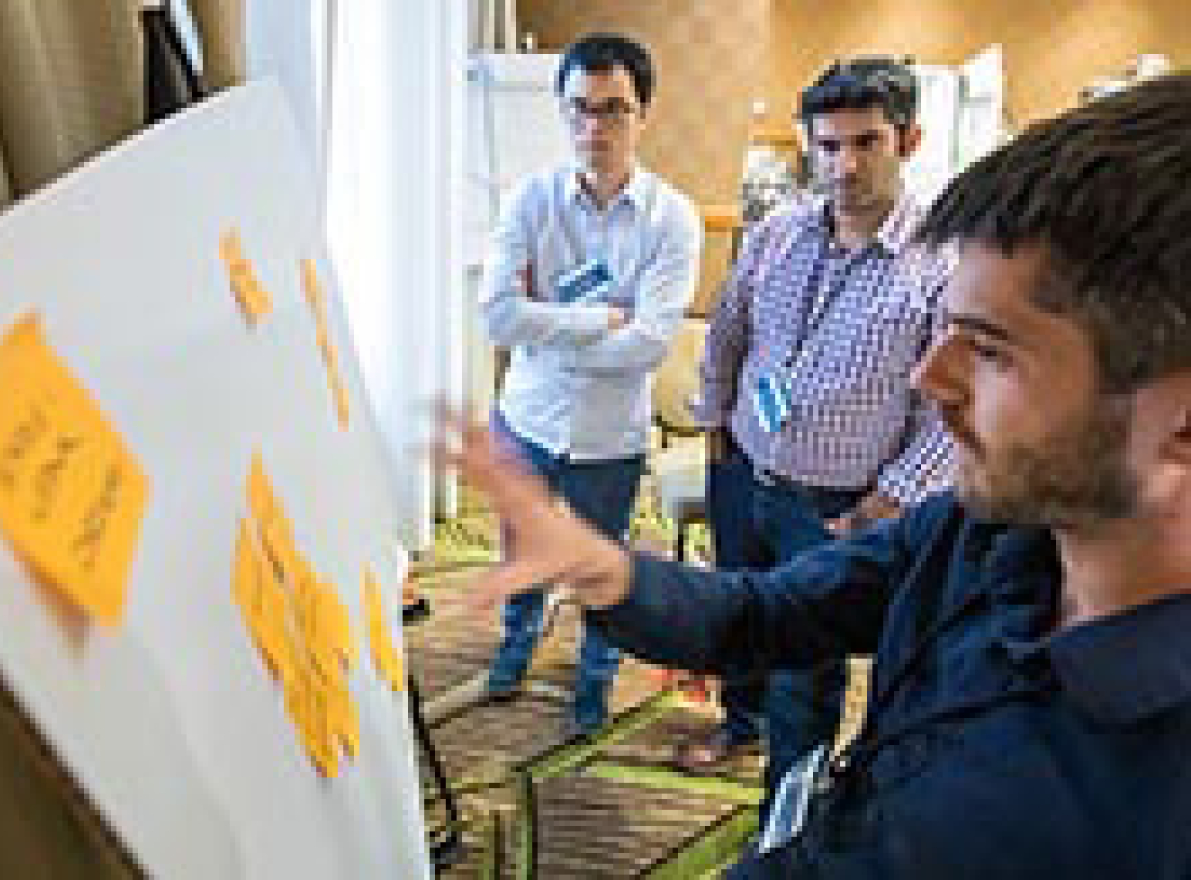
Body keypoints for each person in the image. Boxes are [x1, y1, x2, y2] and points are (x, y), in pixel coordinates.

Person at [443, 71, 1191, 878]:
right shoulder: (981, 534)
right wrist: (605, 569)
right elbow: (765, 614)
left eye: (992, 350)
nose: (929, 378)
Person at [680, 59, 954, 795]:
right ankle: (741, 723)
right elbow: (728, 332)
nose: (845, 165)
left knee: (807, 665)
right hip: (745, 472)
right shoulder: (778, 232)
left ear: (910, 139)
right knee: (737, 612)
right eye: (828, 146)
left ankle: (788, 809)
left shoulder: (941, 260)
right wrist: (715, 431)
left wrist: (884, 504)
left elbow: (950, 415)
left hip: (840, 504)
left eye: (867, 143)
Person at [478, 33, 701, 738]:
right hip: (527, 418)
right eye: (579, 109)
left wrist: (550, 330)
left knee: (601, 568)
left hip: (610, 437)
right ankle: (514, 650)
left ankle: (594, 684)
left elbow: (651, 343)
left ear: (643, 114)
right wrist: (596, 321)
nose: (593, 128)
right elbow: (497, 316)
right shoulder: (529, 202)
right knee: (520, 551)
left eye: (612, 110)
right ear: (560, 109)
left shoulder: (674, 219)